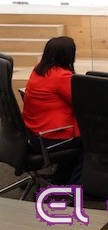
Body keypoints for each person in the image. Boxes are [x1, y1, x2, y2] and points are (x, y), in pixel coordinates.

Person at [22, 36, 81, 184]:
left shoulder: (38, 71)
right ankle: (71, 185)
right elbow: (82, 104)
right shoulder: (61, 76)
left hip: (33, 133)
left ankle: (60, 179)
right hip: (50, 137)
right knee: (92, 143)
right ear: (67, 55)